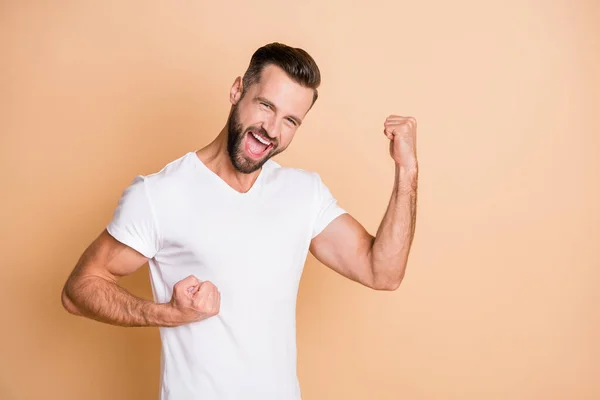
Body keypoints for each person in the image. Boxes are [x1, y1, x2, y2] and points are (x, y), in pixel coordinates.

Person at [61, 42, 419, 400]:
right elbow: (79, 291)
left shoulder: (303, 193)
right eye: (266, 105)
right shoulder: (160, 195)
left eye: (290, 120)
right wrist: (167, 313)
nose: (272, 129)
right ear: (237, 91)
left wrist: (407, 169)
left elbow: (382, 272)